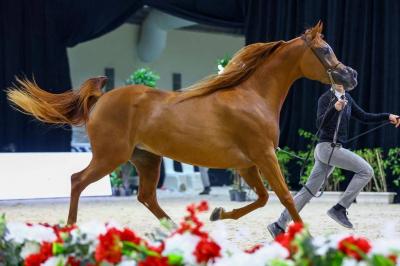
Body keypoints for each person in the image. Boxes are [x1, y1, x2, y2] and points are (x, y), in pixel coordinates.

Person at [267, 85, 400, 238]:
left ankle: (279, 225)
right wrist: (334, 109)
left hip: (331, 150)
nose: (342, 82)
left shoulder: (348, 98)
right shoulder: (326, 98)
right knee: (366, 171)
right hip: (327, 148)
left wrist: (387, 116)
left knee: (308, 191)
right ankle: (340, 208)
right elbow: (319, 124)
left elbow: (364, 116)